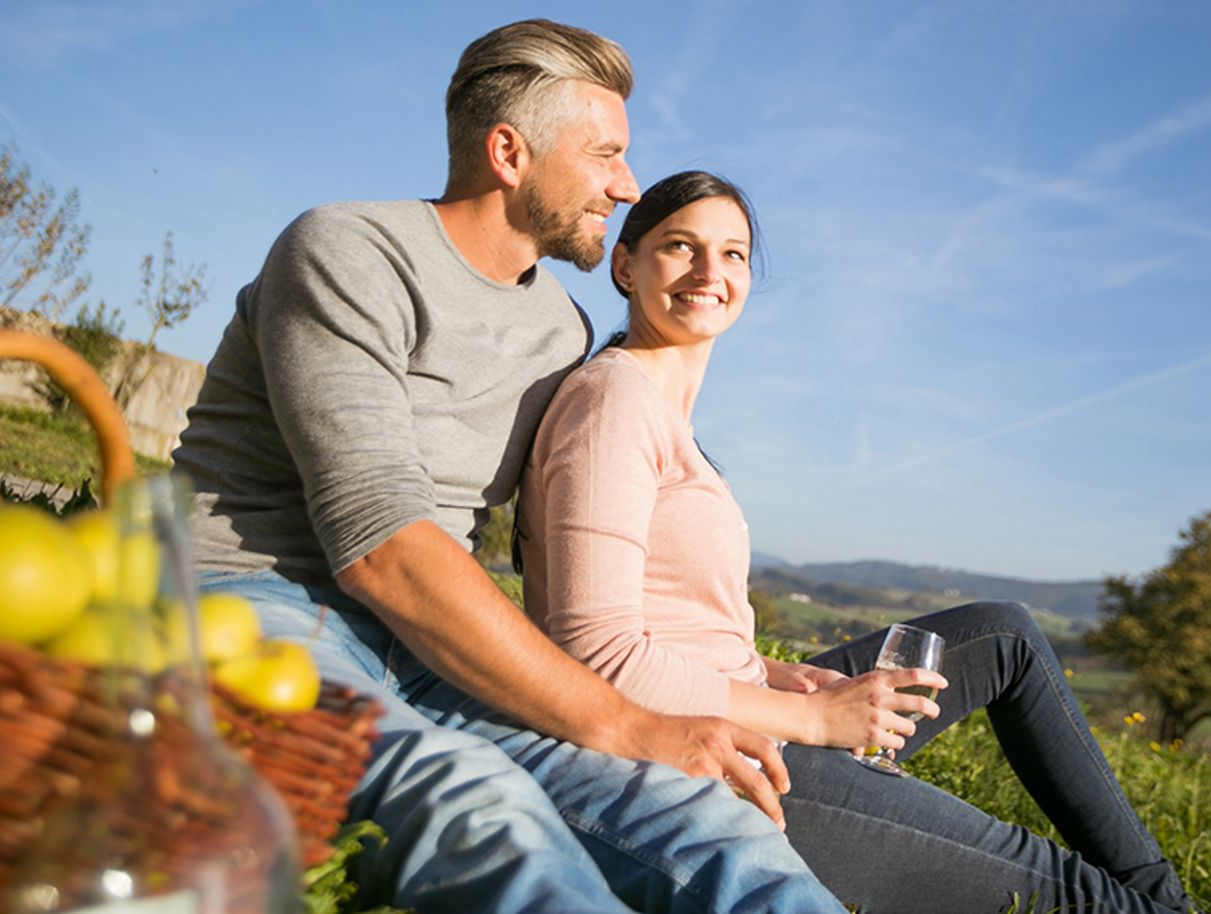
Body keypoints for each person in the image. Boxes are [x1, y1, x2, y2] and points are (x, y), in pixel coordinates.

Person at [172, 22, 847, 914]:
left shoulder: (562, 334)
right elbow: (381, 545)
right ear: (508, 152)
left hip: (432, 645)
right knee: (477, 807)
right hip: (256, 601)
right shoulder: (347, 251)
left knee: (709, 828)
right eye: (606, 154)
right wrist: (625, 720)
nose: (627, 184)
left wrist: (732, 687)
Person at [516, 170, 1203, 914]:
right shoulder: (614, 402)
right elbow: (597, 656)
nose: (710, 273)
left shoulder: (660, 409)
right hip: (714, 757)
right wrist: (816, 719)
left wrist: (782, 676)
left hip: (745, 703)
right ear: (626, 264)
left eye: (734, 254)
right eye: (680, 248)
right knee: (1075, 895)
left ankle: (1163, 898)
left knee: (1002, 634)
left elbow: (682, 620)